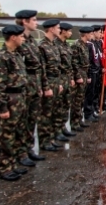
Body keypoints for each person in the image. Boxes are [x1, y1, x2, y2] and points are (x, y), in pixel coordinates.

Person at [0, 25, 28, 181]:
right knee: (4, 136)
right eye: (21, 36)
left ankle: (12, 164)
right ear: (13, 37)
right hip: (8, 100)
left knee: (16, 133)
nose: (23, 38)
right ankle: (2, 168)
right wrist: (2, 107)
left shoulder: (15, 55)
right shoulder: (1, 58)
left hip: (19, 98)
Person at [15, 9, 45, 163]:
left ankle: (28, 149)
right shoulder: (17, 42)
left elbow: (39, 66)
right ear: (24, 21)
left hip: (34, 87)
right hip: (23, 89)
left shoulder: (32, 41)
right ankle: (20, 154)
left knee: (31, 120)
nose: (36, 22)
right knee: (22, 123)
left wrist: (41, 86)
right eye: (33, 20)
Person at [38, 19, 64, 151]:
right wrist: (45, 87)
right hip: (47, 81)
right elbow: (41, 69)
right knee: (45, 113)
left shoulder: (54, 45)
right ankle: (44, 142)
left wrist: (59, 83)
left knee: (54, 111)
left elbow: (57, 67)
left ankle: (52, 137)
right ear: (51, 29)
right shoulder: (42, 46)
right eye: (58, 28)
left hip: (55, 81)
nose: (60, 30)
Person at [54, 22, 76, 138]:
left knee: (66, 103)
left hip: (67, 78)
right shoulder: (55, 45)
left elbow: (70, 64)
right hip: (60, 78)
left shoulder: (67, 45)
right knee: (58, 105)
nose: (71, 33)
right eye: (69, 31)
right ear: (63, 31)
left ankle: (63, 127)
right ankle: (57, 130)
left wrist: (72, 78)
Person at [71, 26, 93, 132]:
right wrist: (78, 76)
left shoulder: (84, 45)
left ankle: (79, 120)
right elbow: (74, 62)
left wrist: (87, 75)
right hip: (79, 74)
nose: (91, 35)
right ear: (85, 34)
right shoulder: (77, 45)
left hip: (84, 73)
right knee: (76, 100)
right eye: (90, 34)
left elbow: (86, 62)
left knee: (81, 99)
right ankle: (74, 123)